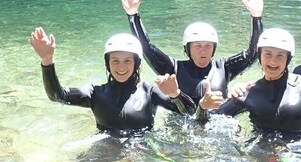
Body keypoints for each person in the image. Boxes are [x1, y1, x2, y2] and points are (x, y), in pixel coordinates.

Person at [119, 0, 264, 111]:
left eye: (208, 46)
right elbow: (147, 49)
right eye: (197, 46)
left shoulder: (223, 68)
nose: (203, 51)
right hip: (182, 129)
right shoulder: (173, 68)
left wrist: (256, 17)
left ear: (214, 49)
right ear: (187, 49)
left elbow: (253, 54)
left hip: (218, 126)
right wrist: (133, 15)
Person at [29, 27, 194, 134]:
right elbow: (56, 96)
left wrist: (175, 94)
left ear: (136, 64)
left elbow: (189, 112)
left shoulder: (150, 93)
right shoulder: (94, 93)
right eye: (115, 60)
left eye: (127, 61)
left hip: (142, 149)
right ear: (107, 63)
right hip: (105, 147)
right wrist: (47, 60)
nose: (121, 67)